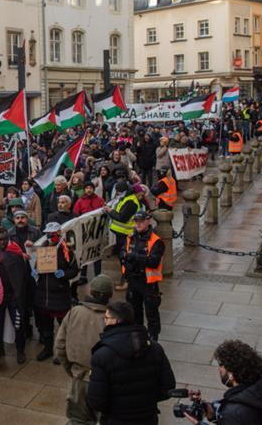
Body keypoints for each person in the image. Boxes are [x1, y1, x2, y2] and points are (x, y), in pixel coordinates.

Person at [87, 301, 176, 425]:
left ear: (116, 321)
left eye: (106, 318)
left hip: (116, 419)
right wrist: (146, 403)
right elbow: (168, 387)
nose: (105, 321)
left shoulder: (102, 356)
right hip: (148, 418)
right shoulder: (155, 349)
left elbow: (96, 401)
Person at [54, 274, 114, 425]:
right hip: (105, 381)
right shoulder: (113, 319)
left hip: (79, 378)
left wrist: (72, 370)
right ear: (110, 295)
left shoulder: (74, 312)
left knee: (77, 420)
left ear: (90, 291)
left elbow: (60, 347)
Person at [182, 340, 262, 425]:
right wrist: (212, 413)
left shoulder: (233, 412)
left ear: (231, 375)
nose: (219, 368)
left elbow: (237, 416)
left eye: (221, 364)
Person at [26, 222, 79, 362]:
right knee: (46, 326)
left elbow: (74, 270)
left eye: (52, 234)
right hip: (44, 294)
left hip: (60, 294)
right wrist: (36, 271)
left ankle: (62, 352)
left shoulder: (67, 250)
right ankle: (48, 349)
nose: (49, 237)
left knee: (63, 325)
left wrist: (65, 274)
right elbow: (38, 264)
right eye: (47, 234)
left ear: (59, 233)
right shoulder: (43, 248)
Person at [120, 211, 164, 341]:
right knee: (134, 311)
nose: (137, 224)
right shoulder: (130, 237)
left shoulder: (156, 241)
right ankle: (138, 335)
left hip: (148, 283)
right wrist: (124, 258)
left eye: (140, 221)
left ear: (148, 221)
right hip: (133, 281)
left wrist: (134, 257)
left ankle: (153, 337)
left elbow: (154, 262)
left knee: (151, 312)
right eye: (136, 221)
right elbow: (122, 251)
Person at [0, 227, 31, 364]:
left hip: (14, 295)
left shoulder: (16, 253)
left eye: (4, 239)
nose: (2, 242)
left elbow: (23, 276)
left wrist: (19, 294)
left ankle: (20, 350)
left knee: (18, 324)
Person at [103, 181, 139, 291]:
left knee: (125, 259)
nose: (118, 193)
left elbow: (122, 217)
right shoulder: (126, 199)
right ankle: (125, 280)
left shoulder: (131, 202)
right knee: (122, 258)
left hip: (126, 235)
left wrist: (110, 211)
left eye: (120, 192)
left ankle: (126, 281)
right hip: (121, 234)